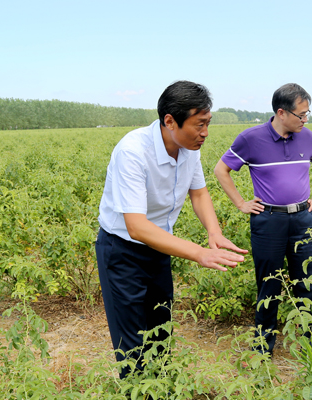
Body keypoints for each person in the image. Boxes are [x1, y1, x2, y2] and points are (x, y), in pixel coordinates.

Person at [95, 80, 247, 378]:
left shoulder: (189, 148)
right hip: (122, 251)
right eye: (199, 124)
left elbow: (199, 193)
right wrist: (199, 253)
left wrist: (214, 232)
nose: (205, 133)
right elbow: (137, 227)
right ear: (170, 121)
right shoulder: (133, 151)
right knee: (132, 342)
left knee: (160, 329)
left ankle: (161, 387)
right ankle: (138, 391)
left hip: (160, 245)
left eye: (208, 123)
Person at [214, 83, 312, 355]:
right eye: (301, 114)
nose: (305, 120)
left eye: (307, 113)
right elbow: (221, 170)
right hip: (269, 220)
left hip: (302, 219)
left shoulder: (307, 137)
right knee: (269, 284)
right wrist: (241, 203)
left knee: (307, 281)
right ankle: (263, 348)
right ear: (281, 112)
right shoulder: (251, 138)